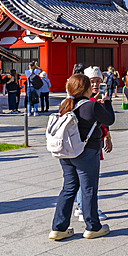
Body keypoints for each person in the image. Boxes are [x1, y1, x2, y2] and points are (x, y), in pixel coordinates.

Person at [49, 73, 114, 241]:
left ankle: (59, 228)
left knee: (69, 188)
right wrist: (107, 101)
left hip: (66, 152)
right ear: (85, 88)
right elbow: (110, 119)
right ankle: (93, 227)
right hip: (86, 151)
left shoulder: (65, 104)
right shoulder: (91, 106)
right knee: (88, 188)